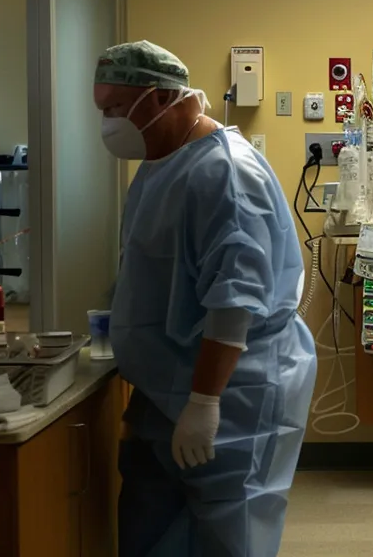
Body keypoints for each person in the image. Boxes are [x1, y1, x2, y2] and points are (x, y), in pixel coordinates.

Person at [95, 41, 317, 556]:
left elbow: (235, 300)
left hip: (232, 392)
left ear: (158, 99)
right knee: (152, 523)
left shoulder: (227, 173)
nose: (107, 123)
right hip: (171, 384)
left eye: (113, 108)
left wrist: (204, 402)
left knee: (228, 529)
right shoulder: (161, 163)